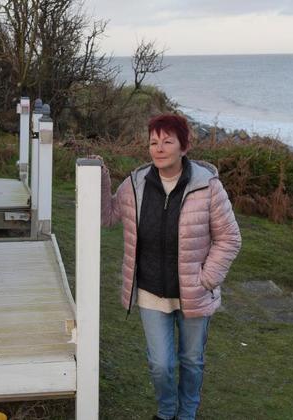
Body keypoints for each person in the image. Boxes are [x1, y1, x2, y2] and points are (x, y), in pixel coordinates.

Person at [97, 114, 242, 420]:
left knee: (191, 360)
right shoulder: (136, 184)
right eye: (153, 142)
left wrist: (207, 278)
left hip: (194, 292)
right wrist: (98, 178)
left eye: (167, 141)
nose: (159, 148)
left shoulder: (207, 187)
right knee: (161, 363)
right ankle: (166, 412)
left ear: (184, 146)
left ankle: (186, 414)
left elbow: (229, 237)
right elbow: (107, 216)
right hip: (150, 291)